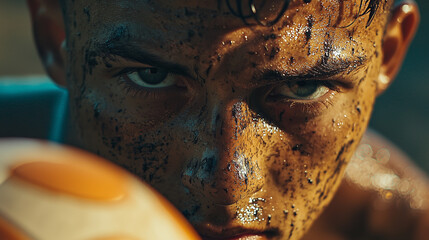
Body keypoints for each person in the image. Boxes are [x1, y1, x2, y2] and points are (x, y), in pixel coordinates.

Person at [15, 0, 428, 239]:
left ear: (386, 55)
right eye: (152, 77)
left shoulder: (400, 227)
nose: (228, 182)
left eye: (302, 89)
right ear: (56, 40)